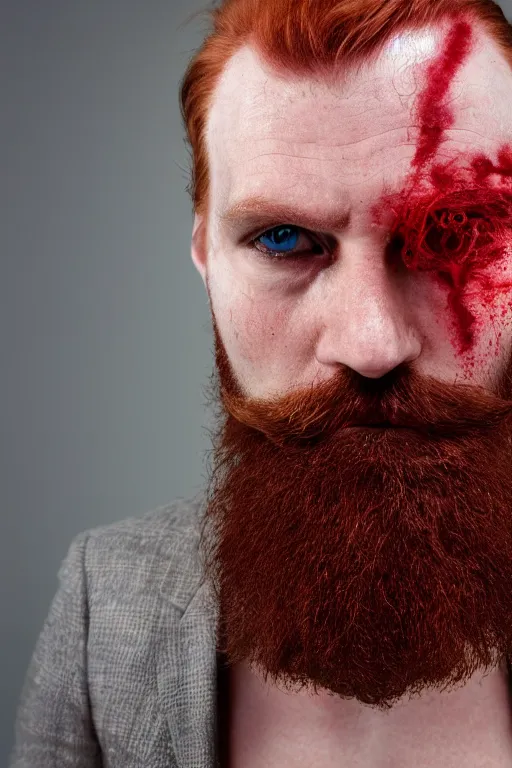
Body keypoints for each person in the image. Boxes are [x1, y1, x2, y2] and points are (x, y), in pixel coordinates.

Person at [10, 0, 512, 765]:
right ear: (204, 254)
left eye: (456, 231)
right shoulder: (103, 602)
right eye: (284, 239)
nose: (372, 346)